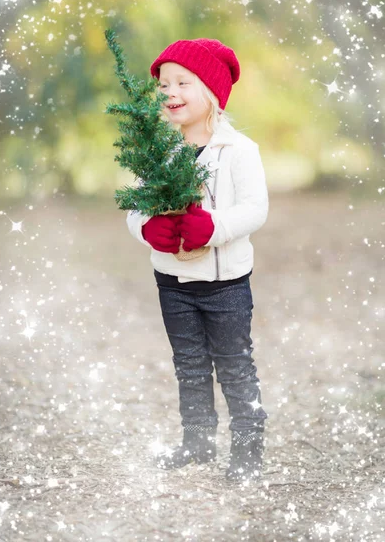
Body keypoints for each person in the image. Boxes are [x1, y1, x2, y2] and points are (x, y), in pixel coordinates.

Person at [126, 38, 269, 482]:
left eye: (182, 82)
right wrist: (148, 229)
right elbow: (136, 207)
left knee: (233, 363)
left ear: (210, 91)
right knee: (188, 363)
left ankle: (247, 448)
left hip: (225, 283)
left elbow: (254, 208)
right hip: (173, 280)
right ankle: (198, 441)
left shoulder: (238, 150)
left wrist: (214, 227)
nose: (170, 91)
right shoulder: (158, 151)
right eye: (163, 84)